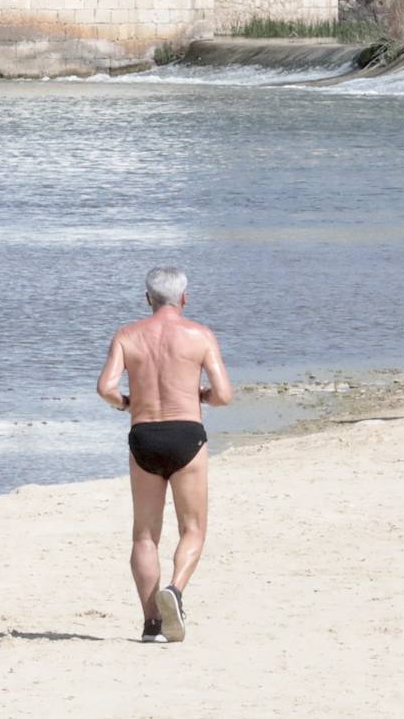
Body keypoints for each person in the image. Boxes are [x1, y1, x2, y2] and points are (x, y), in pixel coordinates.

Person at [96, 266, 232, 644]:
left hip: (144, 435)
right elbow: (223, 395)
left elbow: (105, 387)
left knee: (144, 535)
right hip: (186, 436)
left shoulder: (127, 336)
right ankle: (174, 589)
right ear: (184, 298)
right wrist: (200, 395)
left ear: (147, 299)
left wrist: (125, 402)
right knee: (193, 528)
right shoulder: (199, 335)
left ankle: (151, 623)